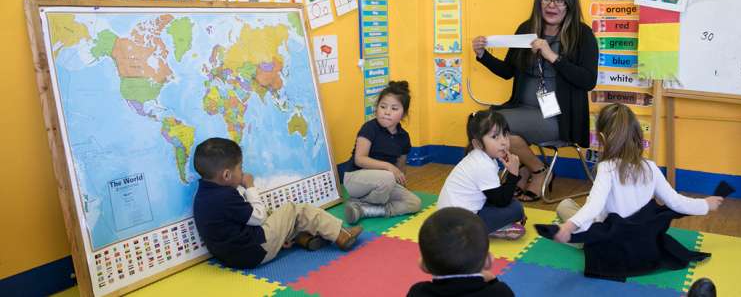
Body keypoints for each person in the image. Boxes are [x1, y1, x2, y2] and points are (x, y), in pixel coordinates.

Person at [551, 103, 724, 281]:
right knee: (588, 210)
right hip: (642, 244)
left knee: (564, 206)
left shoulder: (606, 168)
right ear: (636, 135)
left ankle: (580, 240)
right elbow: (676, 202)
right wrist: (706, 204)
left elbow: (594, 206)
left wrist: (569, 227)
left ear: (601, 138)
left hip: (612, 243)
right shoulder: (650, 167)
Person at [472, 0, 599, 202]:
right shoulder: (526, 29)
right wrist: (483, 55)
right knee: (495, 129)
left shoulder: (582, 34)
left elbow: (588, 81)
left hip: (558, 118)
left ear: (569, 4)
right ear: (539, 2)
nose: (552, 5)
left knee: (490, 126)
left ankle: (534, 171)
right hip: (522, 110)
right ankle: (533, 168)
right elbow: (507, 72)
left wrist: (552, 56)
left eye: (560, 0)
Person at [192, 137, 363, 269]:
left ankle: (303, 239)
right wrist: (250, 186)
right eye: (240, 168)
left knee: (275, 215)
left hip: (230, 257)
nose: (242, 171)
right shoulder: (225, 197)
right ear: (227, 175)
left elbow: (239, 221)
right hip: (254, 252)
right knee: (295, 210)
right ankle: (340, 235)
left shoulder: (203, 195)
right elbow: (258, 218)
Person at [341, 81, 422, 224]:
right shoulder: (369, 128)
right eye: (383, 106)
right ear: (376, 108)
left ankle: (366, 210)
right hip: (355, 178)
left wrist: (400, 187)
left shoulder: (404, 137)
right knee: (388, 178)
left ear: (404, 113)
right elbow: (360, 159)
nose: (387, 112)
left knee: (414, 203)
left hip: (384, 183)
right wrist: (389, 167)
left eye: (394, 108)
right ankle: (358, 201)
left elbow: (400, 167)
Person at [437, 111, 526, 240]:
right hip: (458, 226)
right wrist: (513, 173)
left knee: (510, 202)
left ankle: (494, 227)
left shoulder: (481, 158)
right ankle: (491, 230)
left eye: (505, 134)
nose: (503, 142)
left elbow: (493, 196)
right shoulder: (483, 164)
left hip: (449, 219)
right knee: (516, 208)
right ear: (478, 144)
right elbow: (501, 201)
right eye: (495, 137)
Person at [408, 207, 515, 297]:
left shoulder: (418, 293)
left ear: (423, 265)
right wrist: (493, 281)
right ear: (488, 260)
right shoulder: (501, 292)